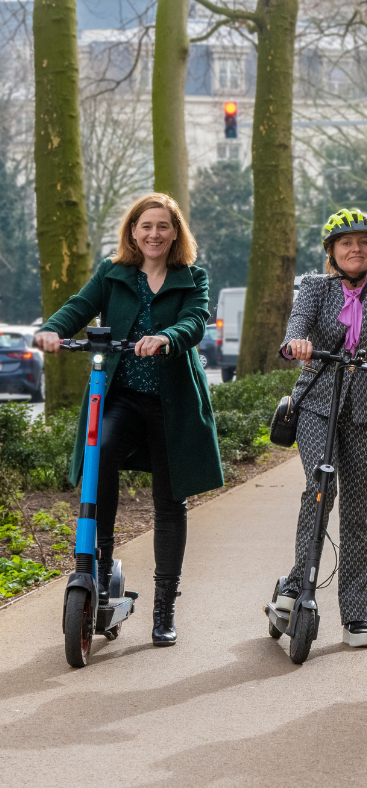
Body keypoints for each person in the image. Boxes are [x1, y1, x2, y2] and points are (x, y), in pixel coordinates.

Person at [34, 193, 223, 647]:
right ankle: (97, 571)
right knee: (98, 467)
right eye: (145, 226)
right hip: (120, 396)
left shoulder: (191, 277)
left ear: (175, 232)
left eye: (162, 226)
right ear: (132, 232)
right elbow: (80, 305)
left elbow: (196, 320)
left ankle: (164, 608)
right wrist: (53, 330)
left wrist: (166, 337)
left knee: (168, 503)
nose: (154, 234)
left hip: (171, 402)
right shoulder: (113, 273)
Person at [275, 209, 367, 648]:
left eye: (364, 242)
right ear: (332, 251)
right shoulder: (315, 287)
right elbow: (297, 323)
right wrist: (298, 342)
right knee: (320, 489)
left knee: (355, 512)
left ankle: (354, 616)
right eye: (346, 242)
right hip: (315, 404)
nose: (356, 248)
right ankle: (297, 586)